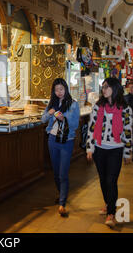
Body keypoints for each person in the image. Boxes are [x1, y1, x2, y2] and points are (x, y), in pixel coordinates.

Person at [86, 77, 133, 228]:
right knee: (102, 179)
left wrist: (127, 152)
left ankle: (111, 213)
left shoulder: (125, 108)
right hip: (100, 149)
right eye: (103, 87)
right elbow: (92, 128)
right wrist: (89, 148)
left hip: (116, 149)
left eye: (106, 87)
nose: (103, 89)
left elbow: (127, 131)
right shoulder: (98, 106)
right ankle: (108, 203)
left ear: (114, 88)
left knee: (111, 181)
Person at [41, 78, 80, 217]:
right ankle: (62, 194)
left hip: (66, 141)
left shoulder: (73, 104)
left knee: (63, 173)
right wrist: (50, 113)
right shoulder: (52, 103)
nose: (59, 92)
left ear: (66, 89)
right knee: (56, 172)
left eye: (61, 89)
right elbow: (43, 119)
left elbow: (75, 124)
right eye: (56, 90)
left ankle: (62, 203)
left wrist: (65, 119)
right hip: (52, 140)